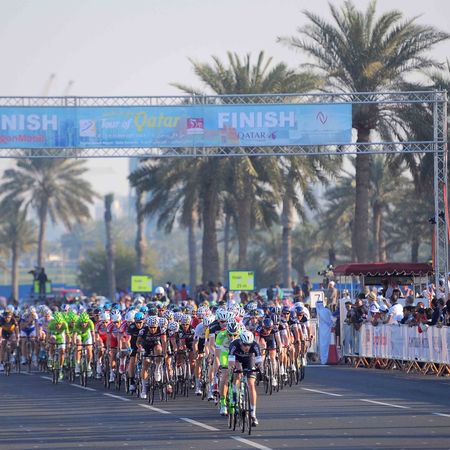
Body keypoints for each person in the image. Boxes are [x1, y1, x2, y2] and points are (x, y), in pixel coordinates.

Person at [228, 330, 262, 426]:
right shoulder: (234, 345)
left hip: (249, 360)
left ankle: (253, 413)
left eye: (249, 345)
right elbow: (231, 362)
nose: (247, 347)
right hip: (237, 360)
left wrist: (259, 367)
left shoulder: (255, 346)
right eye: (245, 345)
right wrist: (233, 368)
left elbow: (259, 361)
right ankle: (234, 395)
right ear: (240, 342)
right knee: (237, 374)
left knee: (251, 384)